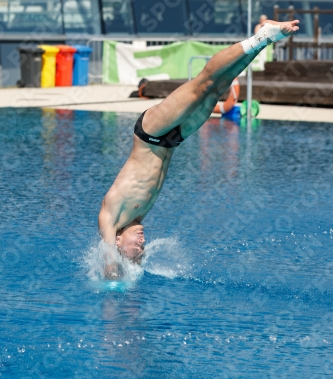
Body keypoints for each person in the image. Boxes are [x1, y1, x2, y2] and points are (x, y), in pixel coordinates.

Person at [98, 19, 299, 277]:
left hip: (150, 134)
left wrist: (114, 292)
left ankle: (260, 37)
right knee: (215, 91)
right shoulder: (136, 220)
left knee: (202, 83)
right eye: (142, 246)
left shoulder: (110, 216)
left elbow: (109, 266)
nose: (143, 242)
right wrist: (135, 270)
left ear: (116, 242)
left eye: (136, 245)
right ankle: (264, 39)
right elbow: (133, 263)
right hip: (173, 140)